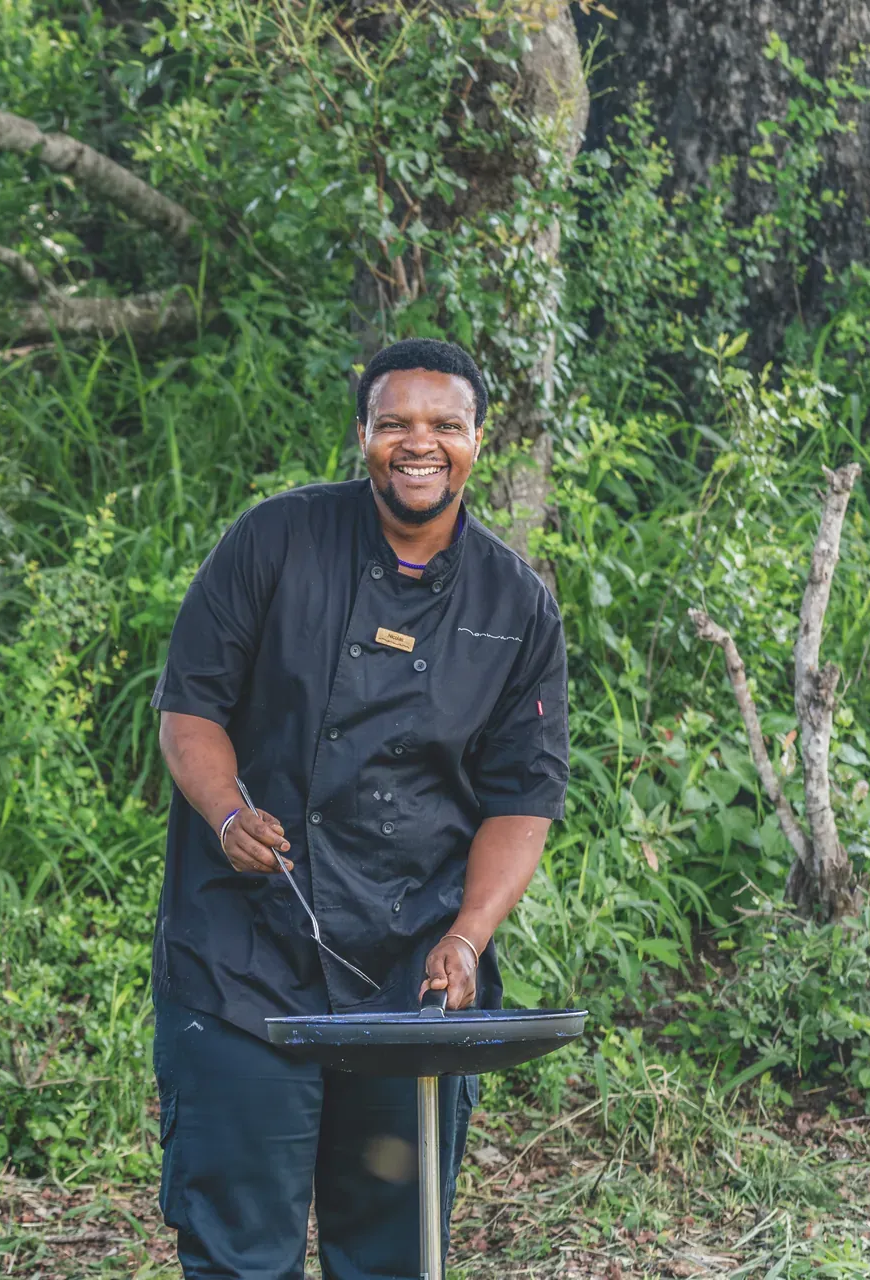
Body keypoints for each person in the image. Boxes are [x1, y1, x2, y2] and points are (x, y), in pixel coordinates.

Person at [150, 338, 569, 1279]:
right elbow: (189, 712)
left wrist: (466, 936)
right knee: (239, 1256)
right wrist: (226, 815)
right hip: (242, 963)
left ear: (476, 440)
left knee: (392, 1254)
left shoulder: (516, 603)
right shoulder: (274, 541)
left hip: (410, 983)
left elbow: (522, 797)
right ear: (364, 436)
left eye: (444, 425)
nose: (419, 444)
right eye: (396, 423)